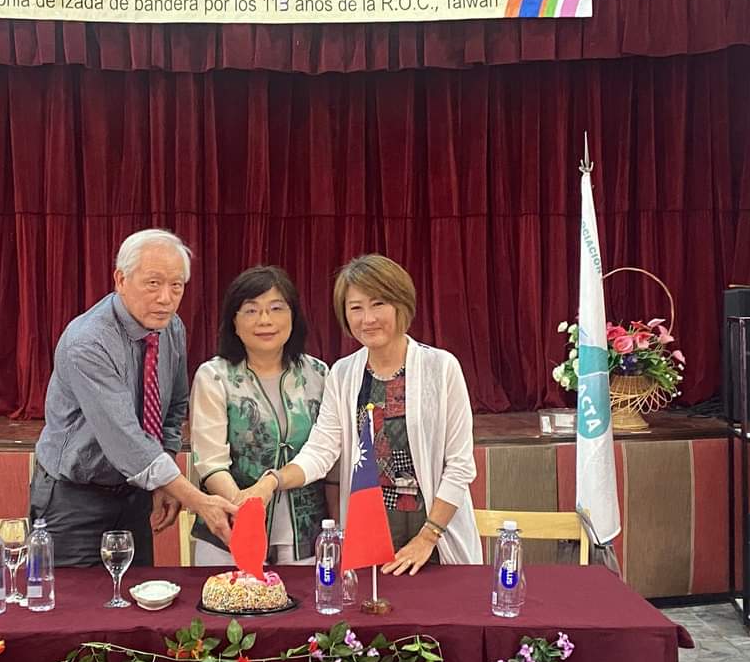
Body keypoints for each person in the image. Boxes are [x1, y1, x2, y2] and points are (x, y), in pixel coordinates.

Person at [235, 254, 482, 573]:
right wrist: (274, 480)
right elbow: (322, 449)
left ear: (401, 304)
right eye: (356, 308)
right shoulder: (343, 373)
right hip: (369, 527)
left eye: (378, 304)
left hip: (435, 530)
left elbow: (460, 465)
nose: (368, 319)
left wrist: (428, 536)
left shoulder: (441, 367)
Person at [31, 229, 236, 567]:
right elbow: (126, 441)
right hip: (74, 498)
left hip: (135, 493)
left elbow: (172, 410)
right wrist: (199, 501)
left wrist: (164, 482)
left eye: (177, 286)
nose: (166, 298)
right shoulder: (88, 342)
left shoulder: (171, 328)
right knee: (71, 600)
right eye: (153, 283)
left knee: (136, 594)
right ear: (121, 280)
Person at [190, 266, 331, 566]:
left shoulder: (318, 374)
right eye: (251, 311)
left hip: (306, 534)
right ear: (234, 321)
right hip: (229, 531)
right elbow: (210, 462)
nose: (264, 320)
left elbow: (328, 452)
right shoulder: (214, 376)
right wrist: (246, 513)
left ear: (293, 316)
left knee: (304, 598)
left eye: (276, 308)